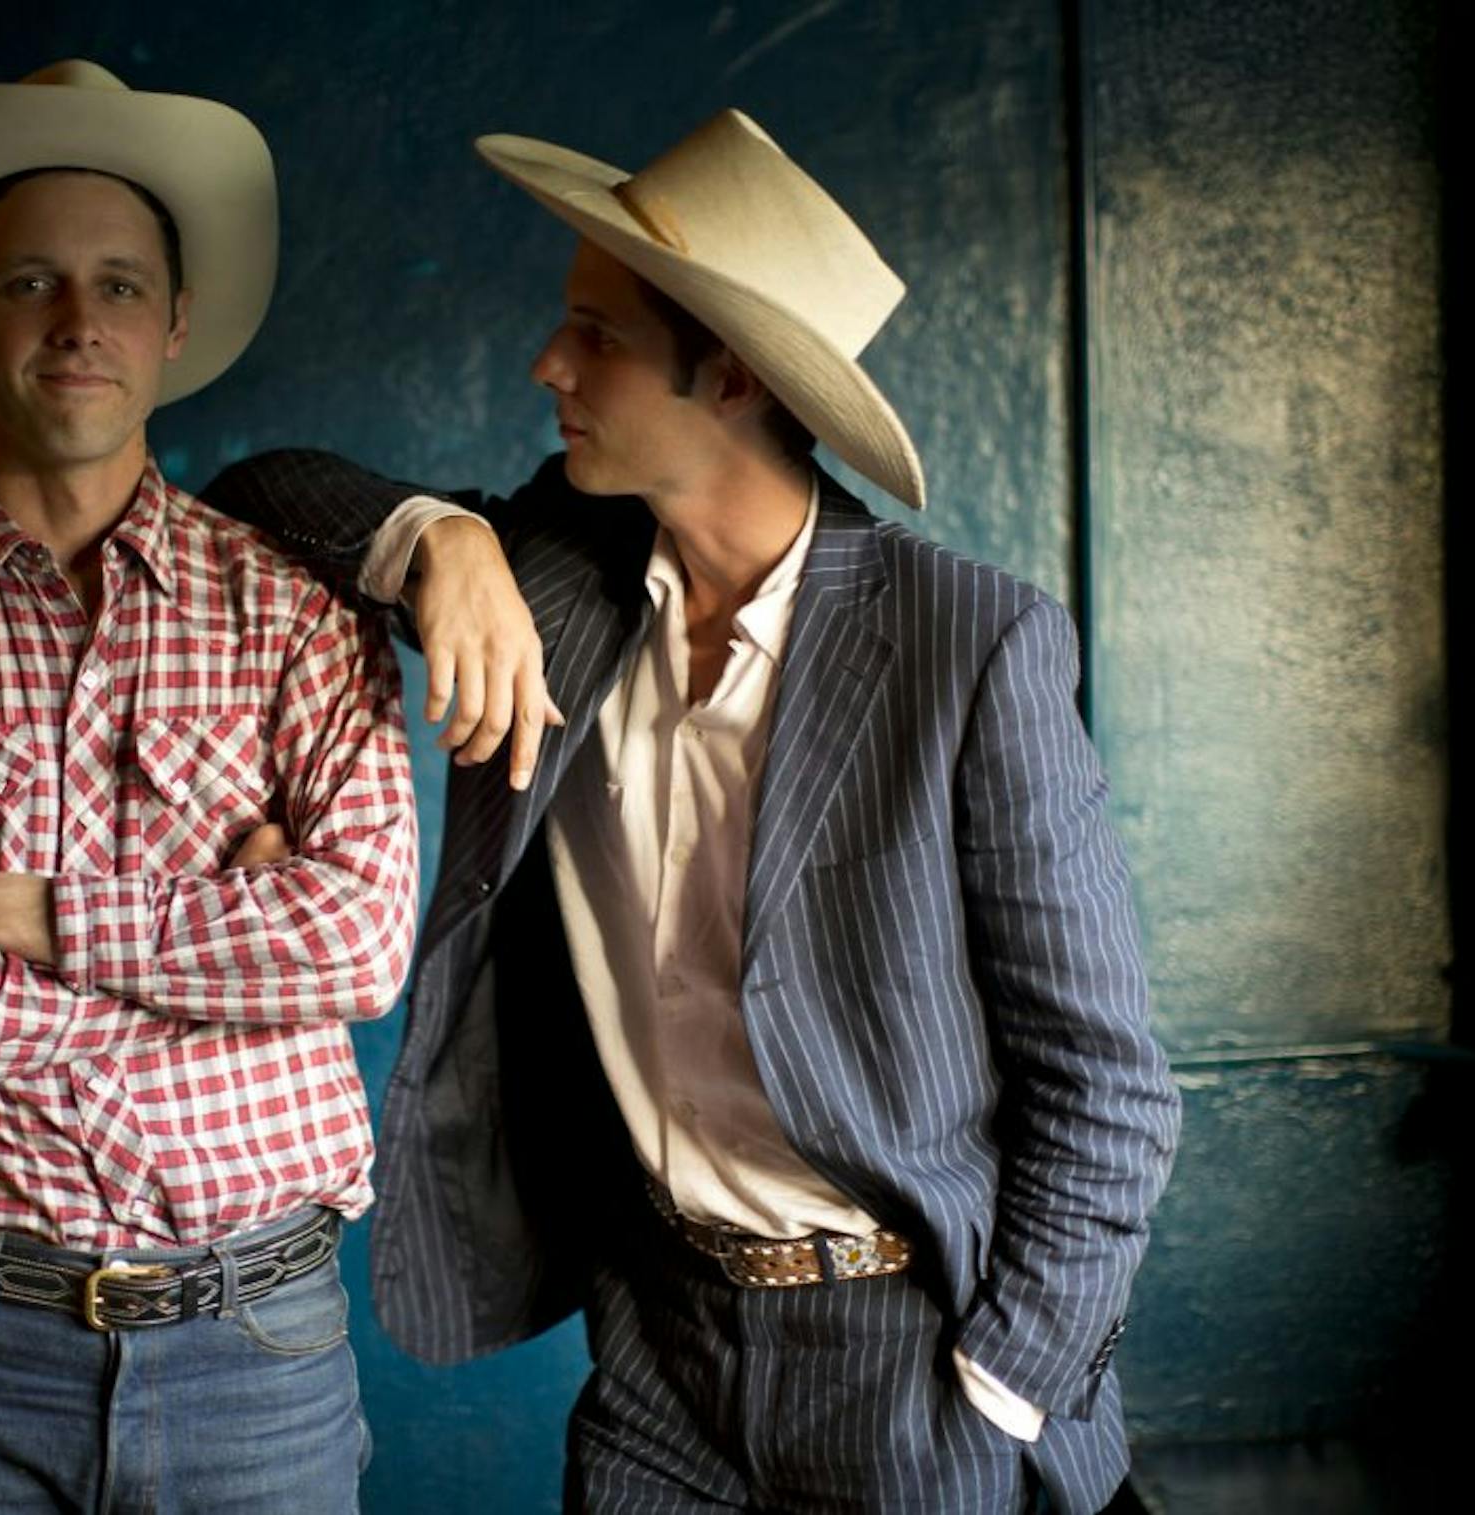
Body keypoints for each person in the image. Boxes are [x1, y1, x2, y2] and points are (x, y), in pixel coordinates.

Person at [206, 108, 1180, 1513]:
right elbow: (254, 498)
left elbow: (1107, 1082)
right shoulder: (559, 574)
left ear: (727, 373)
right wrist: (446, 541)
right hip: (658, 1345)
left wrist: (1008, 1381)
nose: (551, 364)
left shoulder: (967, 640)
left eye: (594, 334)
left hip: (912, 1364)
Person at [0, 61, 417, 1513]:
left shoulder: (300, 619)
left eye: (119, 285)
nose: (77, 322)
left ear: (174, 324)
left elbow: (357, 949)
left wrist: (20, 915)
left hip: (258, 1346)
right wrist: (225, 947)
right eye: (29, 282)